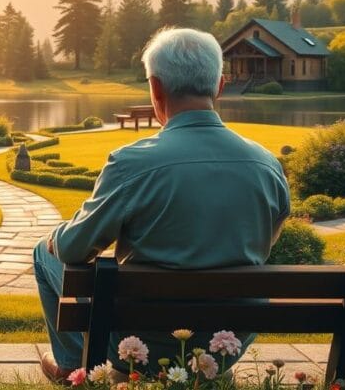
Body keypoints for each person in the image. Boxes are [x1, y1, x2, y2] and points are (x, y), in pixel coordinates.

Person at [34, 28, 291, 383]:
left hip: (137, 342)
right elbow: (265, 244)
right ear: (219, 86)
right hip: (225, 342)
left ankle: (69, 365)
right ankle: (207, 375)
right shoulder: (267, 165)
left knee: (42, 251)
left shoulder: (131, 163)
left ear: (155, 88)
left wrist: (58, 236)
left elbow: (73, 249)